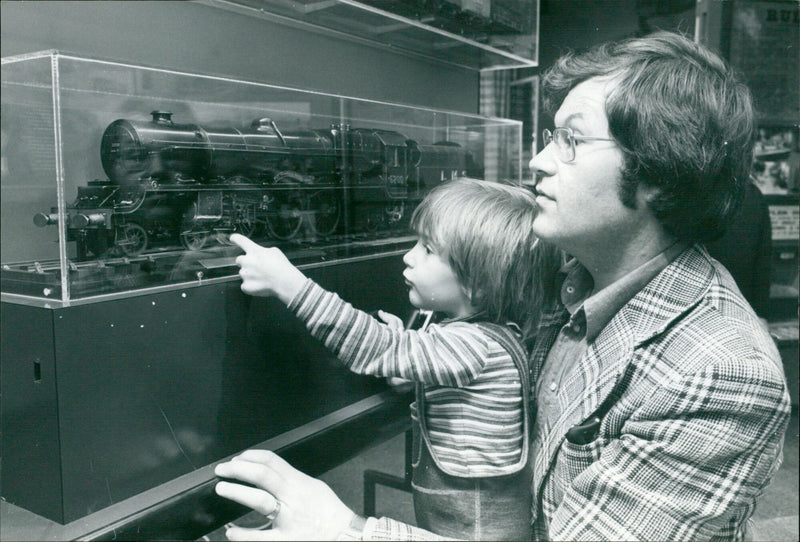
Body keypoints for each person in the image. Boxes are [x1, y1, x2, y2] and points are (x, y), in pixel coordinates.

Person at [214, 31, 792, 541]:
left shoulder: (721, 373)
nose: (537, 160)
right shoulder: (571, 277)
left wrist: (342, 530)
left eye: (571, 139)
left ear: (659, 172)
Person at [223, 178, 562, 540]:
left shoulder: (475, 347)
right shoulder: (488, 335)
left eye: (428, 249)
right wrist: (412, 360)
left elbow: (377, 347)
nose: (409, 256)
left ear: (478, 283)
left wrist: (289, 283)